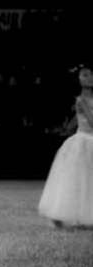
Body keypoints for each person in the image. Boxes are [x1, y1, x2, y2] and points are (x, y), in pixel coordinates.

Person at [37, 64, 93, 228]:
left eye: (91, 74)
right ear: (78, 79)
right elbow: (91, 121)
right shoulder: (80, 100)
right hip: (84, 141)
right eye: (84, 75)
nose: (89, 78)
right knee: (78, 180)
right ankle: (67, 214)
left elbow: (75, 122)